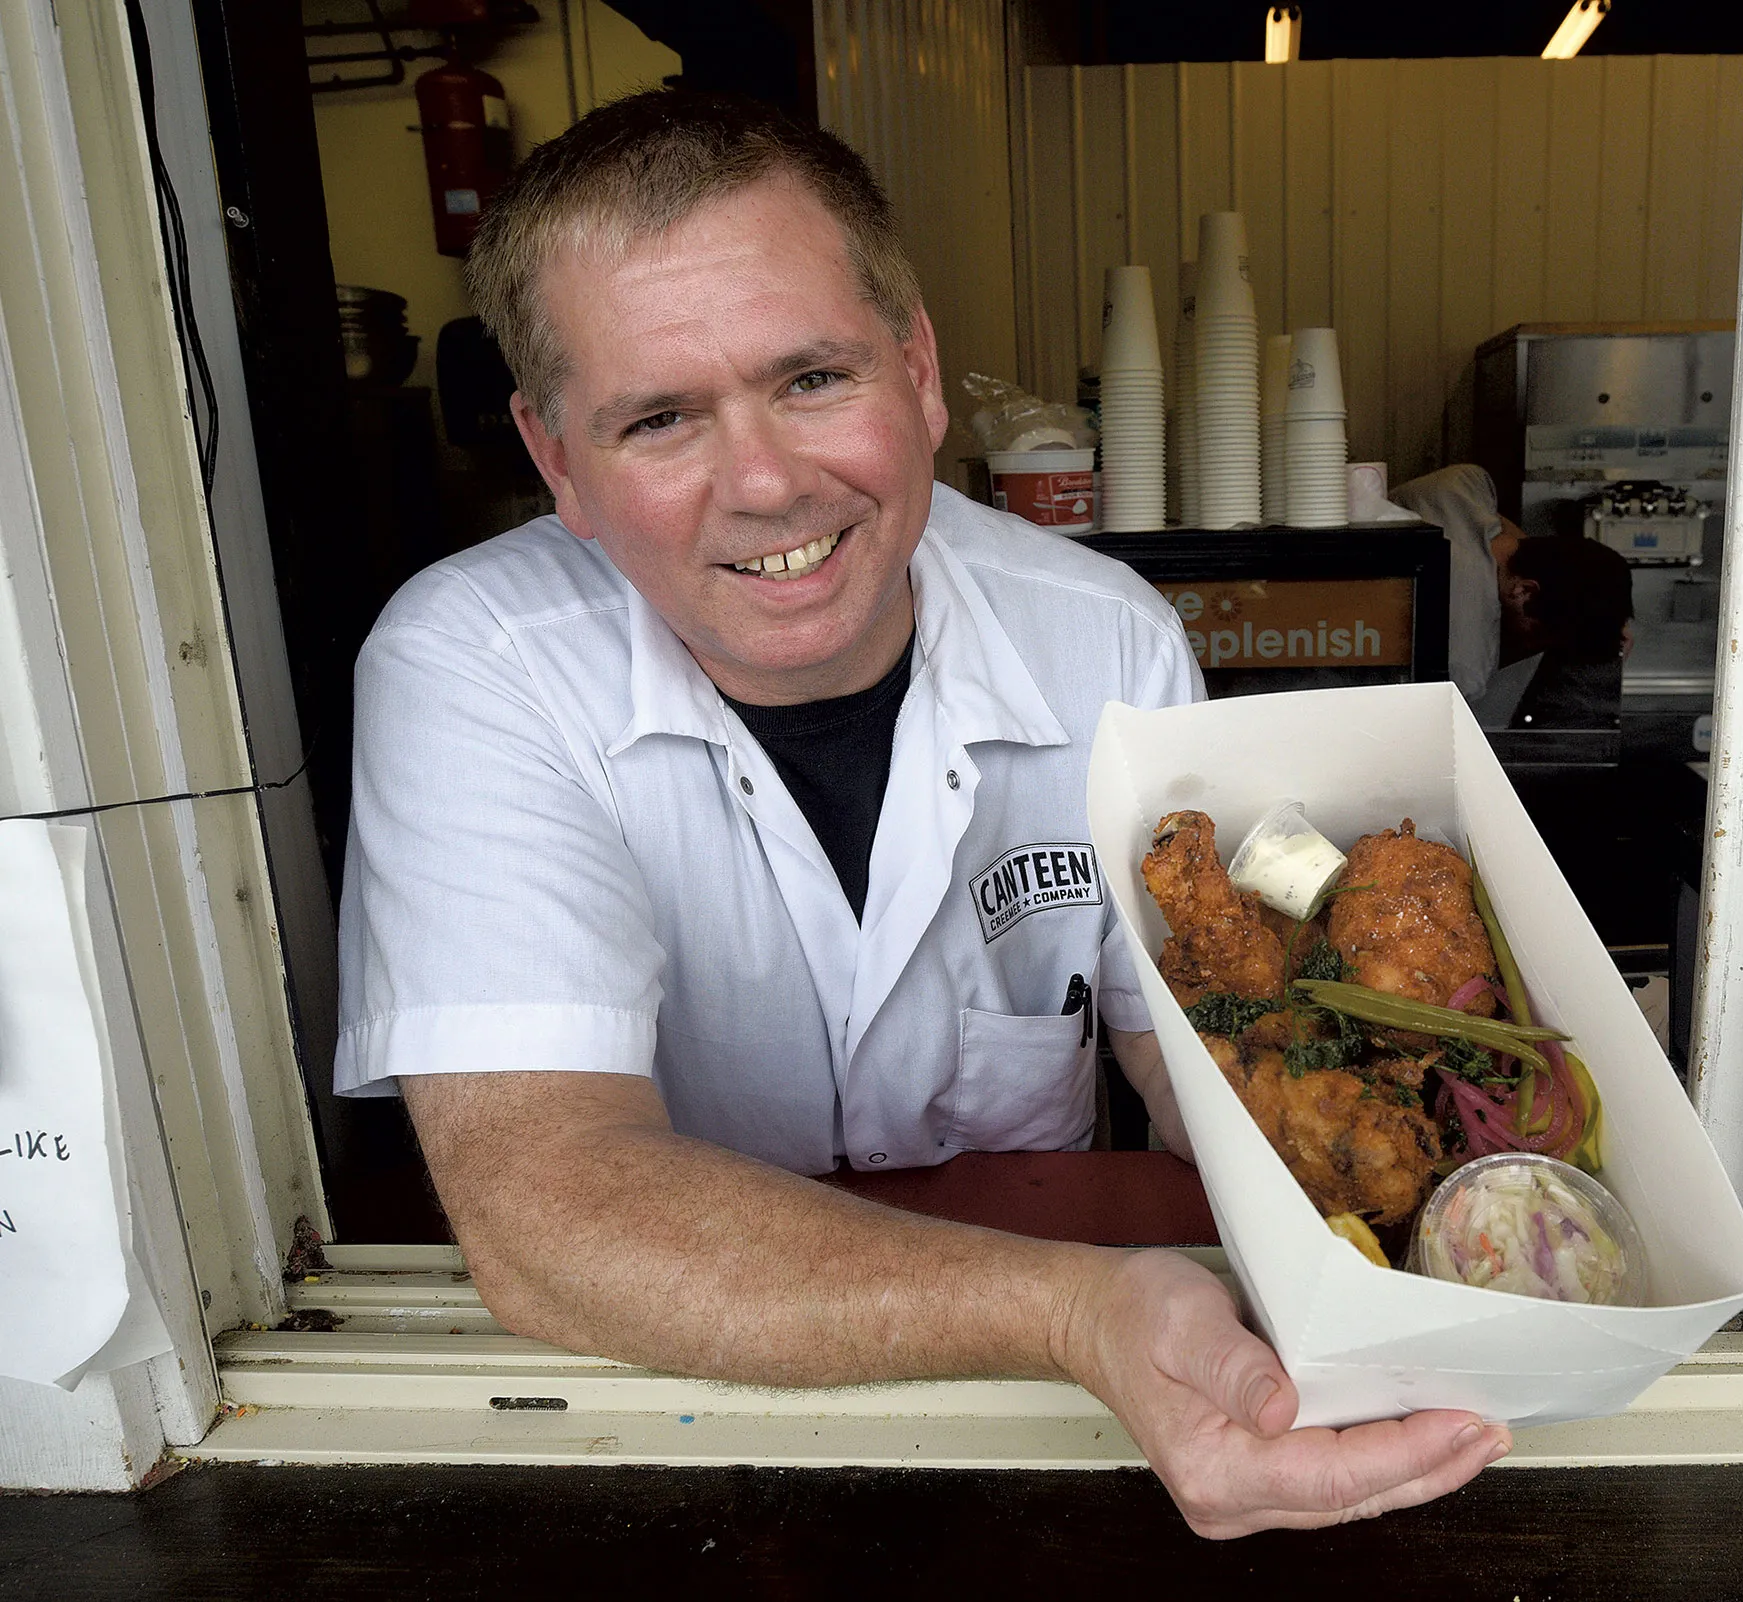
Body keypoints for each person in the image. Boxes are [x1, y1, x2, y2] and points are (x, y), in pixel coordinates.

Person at [331, 91, 1506, 1538]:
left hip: (1096, 1408)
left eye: (813, 378)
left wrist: (1430, 1241)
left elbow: (1191, 1039)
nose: (765, 483)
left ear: (923, 371)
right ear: (557, 460)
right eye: (658, 418)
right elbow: (549, 1220)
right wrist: (1083, 1318)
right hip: (682, 1403)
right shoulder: (471, 668)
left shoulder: (1107, 638)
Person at [1392, 465, 1634, 728]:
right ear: (1524, 590)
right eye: (1539, 635)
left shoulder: (1464, 484)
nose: (1535, 646)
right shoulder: (1466, 669)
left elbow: (1518, 544)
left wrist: (1602, 602)